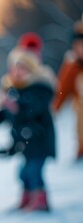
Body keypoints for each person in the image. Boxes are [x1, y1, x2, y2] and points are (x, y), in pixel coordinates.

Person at [0, 32, 56, 212]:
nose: (17, 71)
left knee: (33, 171)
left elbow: (35, 108)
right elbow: (2, 115)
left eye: (22, 68)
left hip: (40, 140)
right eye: (14, 67)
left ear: (32, 70)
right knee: (23, 173)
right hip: (25, 142)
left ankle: (40, 200)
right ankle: (27, 197)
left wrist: (17, 106)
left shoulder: (40, 87)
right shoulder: (13, 90)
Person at [52, 18, 83, 161]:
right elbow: (61, 90)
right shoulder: (72, 66)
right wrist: (53, 110)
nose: (77, 49)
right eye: (75, 46)